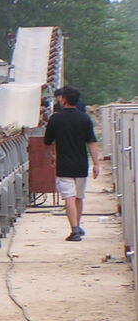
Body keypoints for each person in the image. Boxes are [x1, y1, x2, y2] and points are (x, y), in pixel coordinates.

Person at [43, 85, 100, 241]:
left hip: (64, 164)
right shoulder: (85, 118)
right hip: (82, 164)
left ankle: (74, 229)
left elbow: (47, 141)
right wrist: (96, 164)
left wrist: (51, 155)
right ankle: (78, 224)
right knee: (79, 197)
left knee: (69, 196)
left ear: (64, 100)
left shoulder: (55, 119)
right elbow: (92, 143)